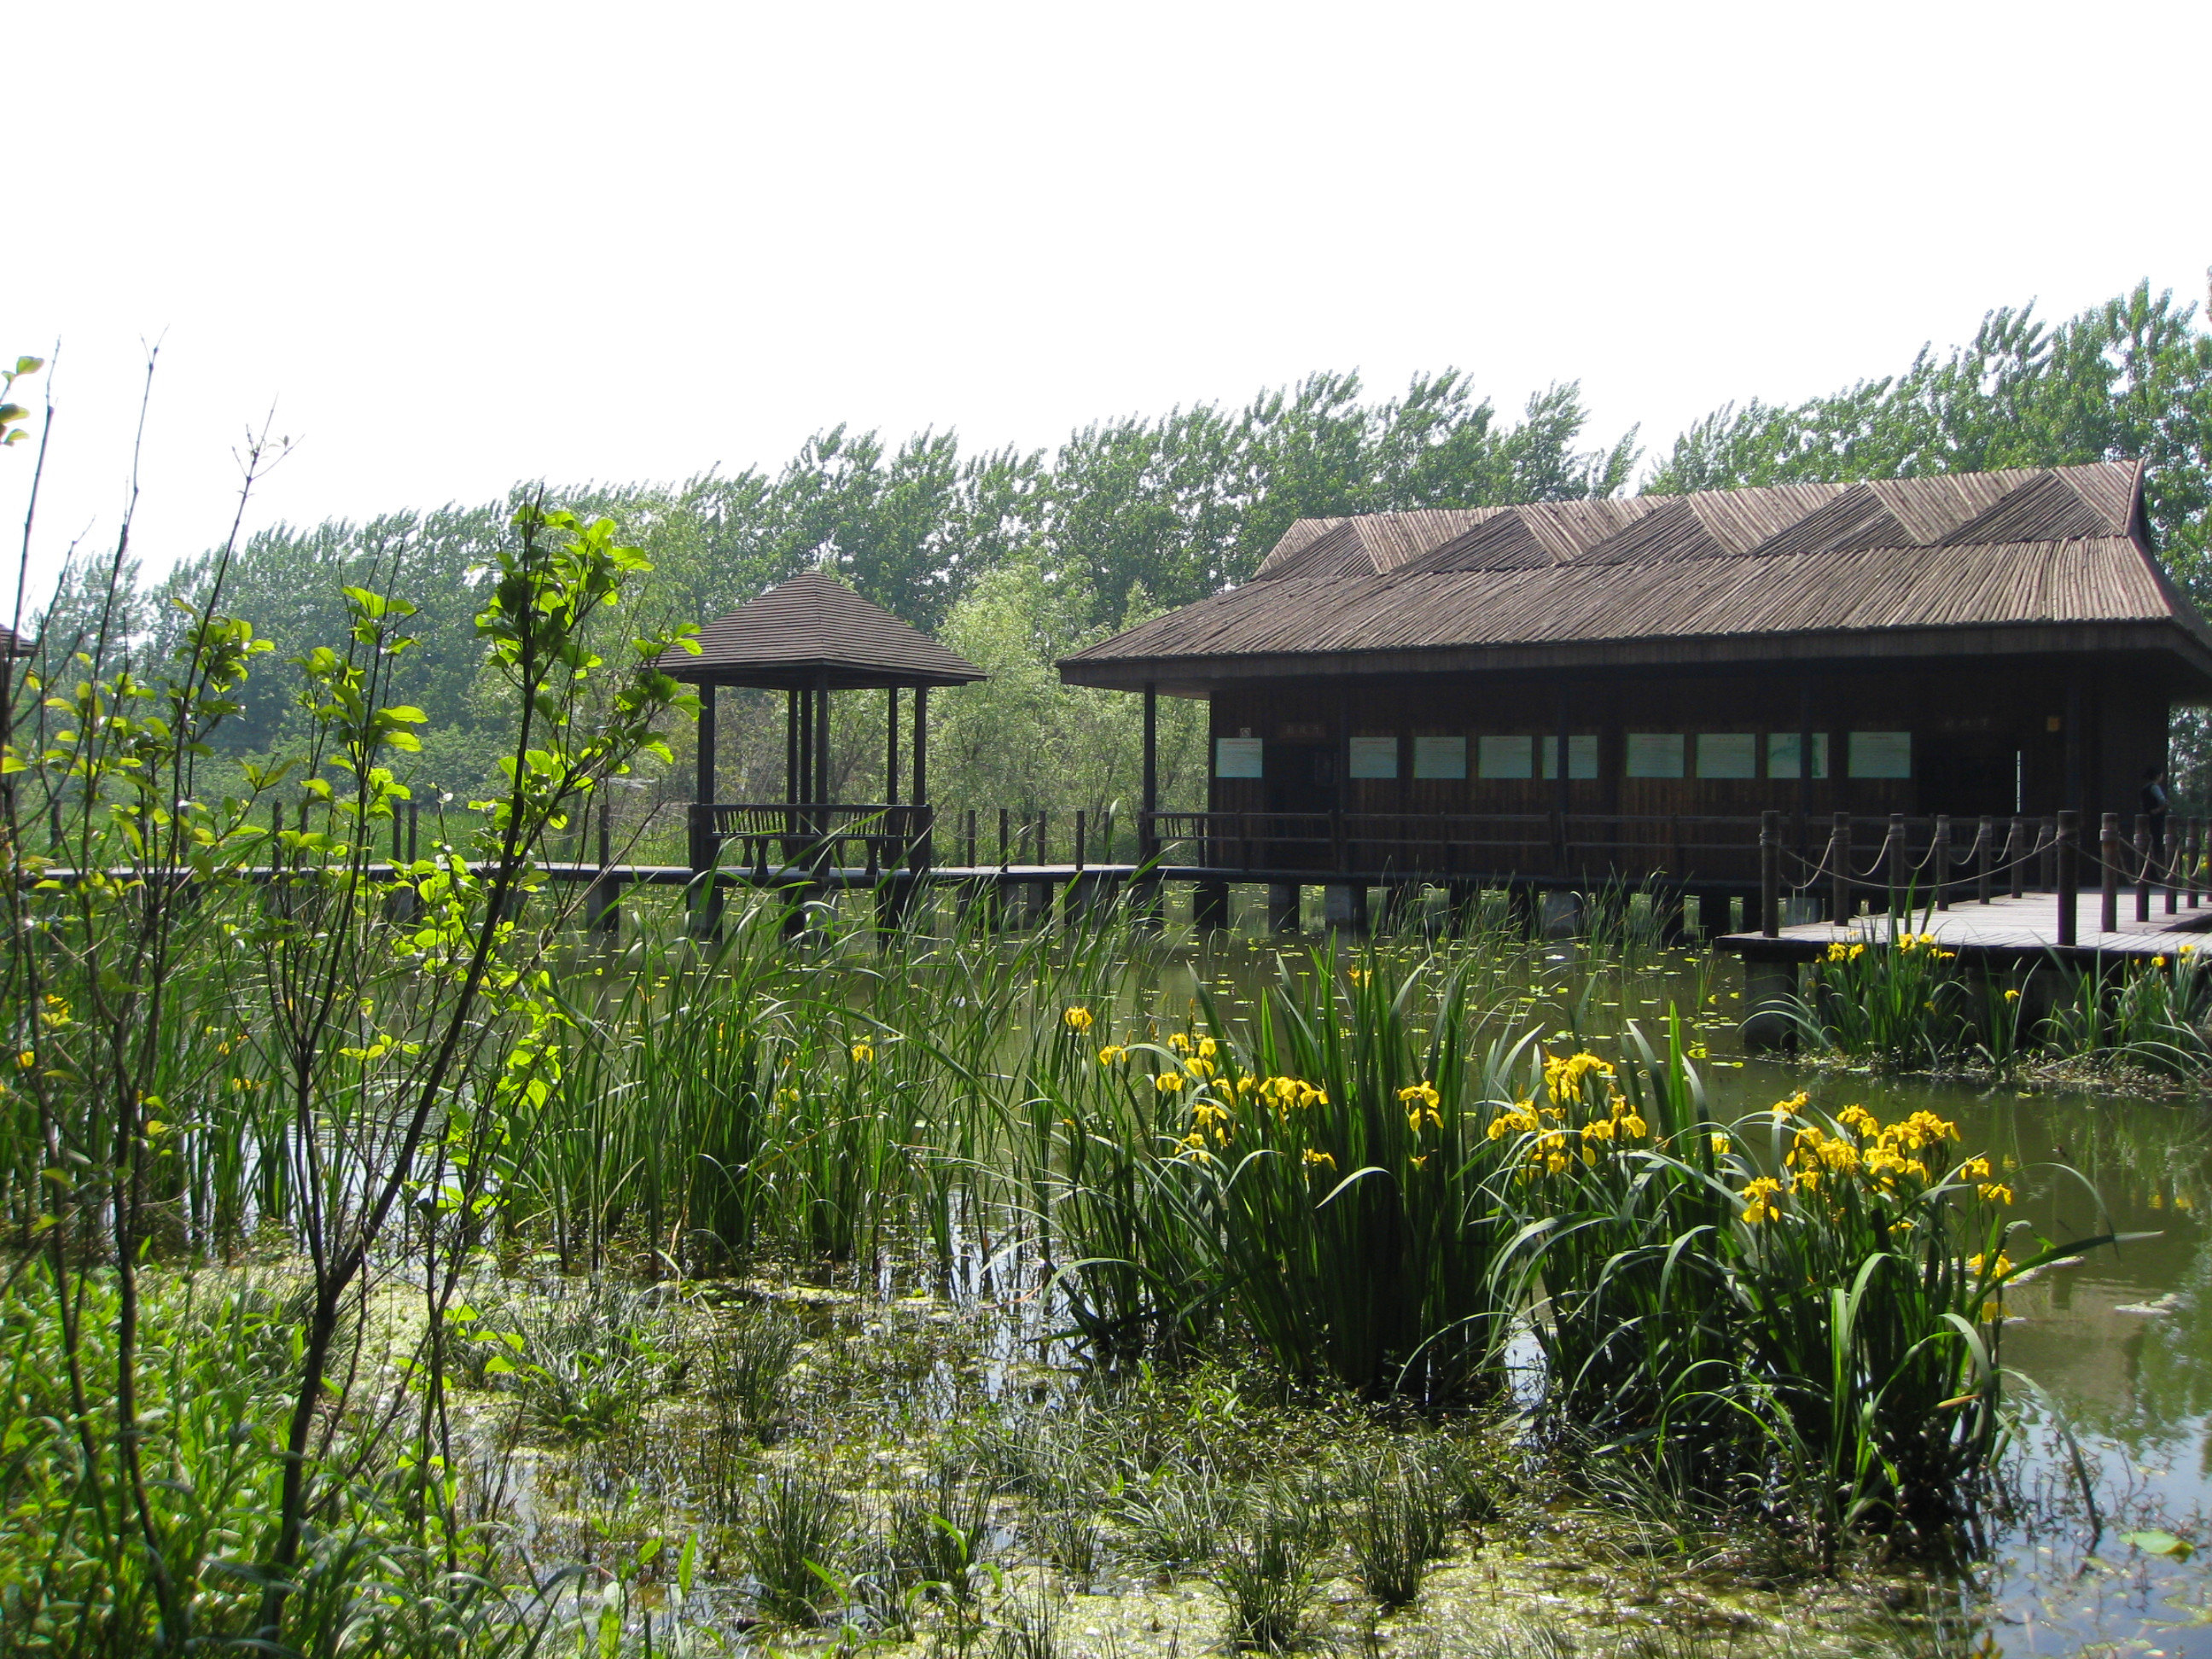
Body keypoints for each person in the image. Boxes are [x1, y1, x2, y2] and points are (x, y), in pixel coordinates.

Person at [2141, 765, 2171, 852]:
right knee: (2157, 839)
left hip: (2146, 816)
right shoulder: (2154, 787)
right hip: (2156, 816)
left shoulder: (2144, 788)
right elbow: (2162, 800)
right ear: (2158, 776)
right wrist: (2165, 805)